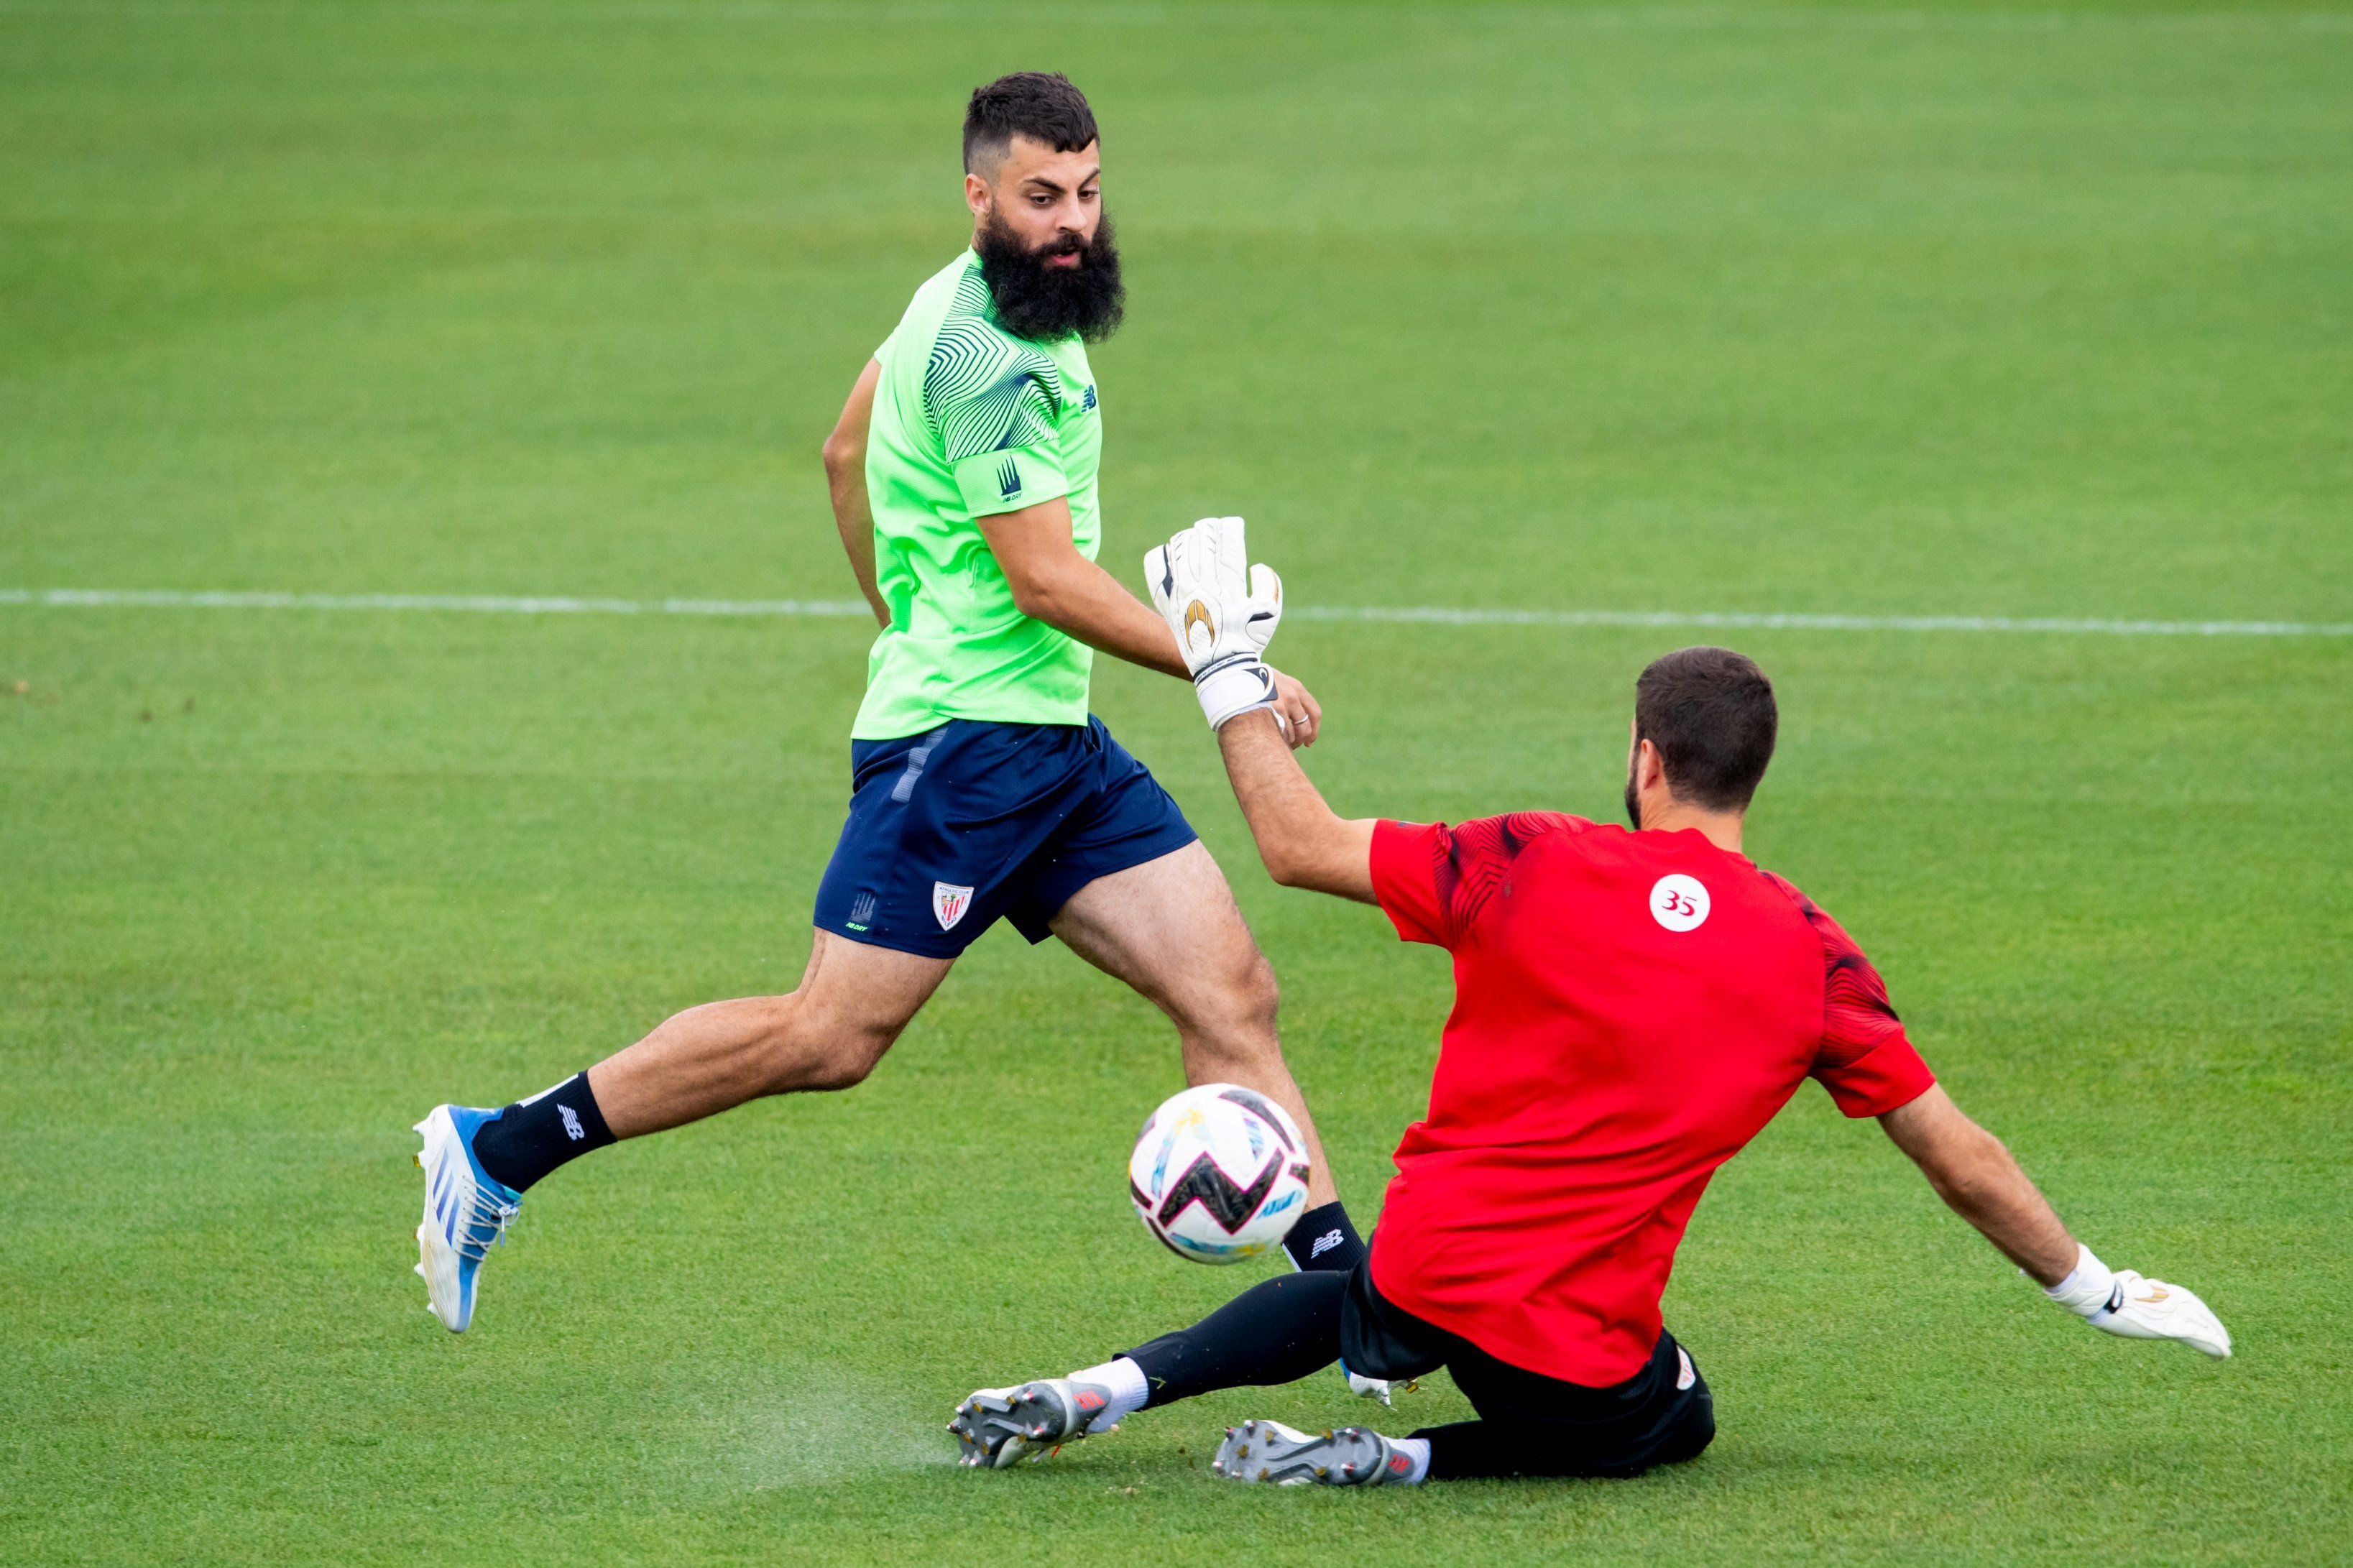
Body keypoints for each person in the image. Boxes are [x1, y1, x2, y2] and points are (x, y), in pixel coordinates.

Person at [947, 519, 2232, 1485]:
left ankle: (1103, 1385)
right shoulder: (1815, 959)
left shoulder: (1531, 855)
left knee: (1365, 1290)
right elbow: (1955, 1155)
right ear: (1748, 780)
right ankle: (1398, 1463)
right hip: (1566, 1358)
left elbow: (1296, 843)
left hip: (1421, 1271)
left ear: (1646, 759)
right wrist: (2096, 1287)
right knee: (1678, 1417)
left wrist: (1226, 672)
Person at [409, 77, 1371, 1337]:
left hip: (1049, 745)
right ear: (979, 196)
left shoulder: (960, 300)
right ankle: (497, 1151)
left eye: (1086, 192)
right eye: (1040, 199)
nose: (1071, 222)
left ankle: (1354, 1317)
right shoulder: (983, 355)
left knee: (1229, 993)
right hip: (965, 754)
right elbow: (1040, 576)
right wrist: (1217, 660)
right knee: (828, 1035)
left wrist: (903, 614)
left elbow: (844, 452)